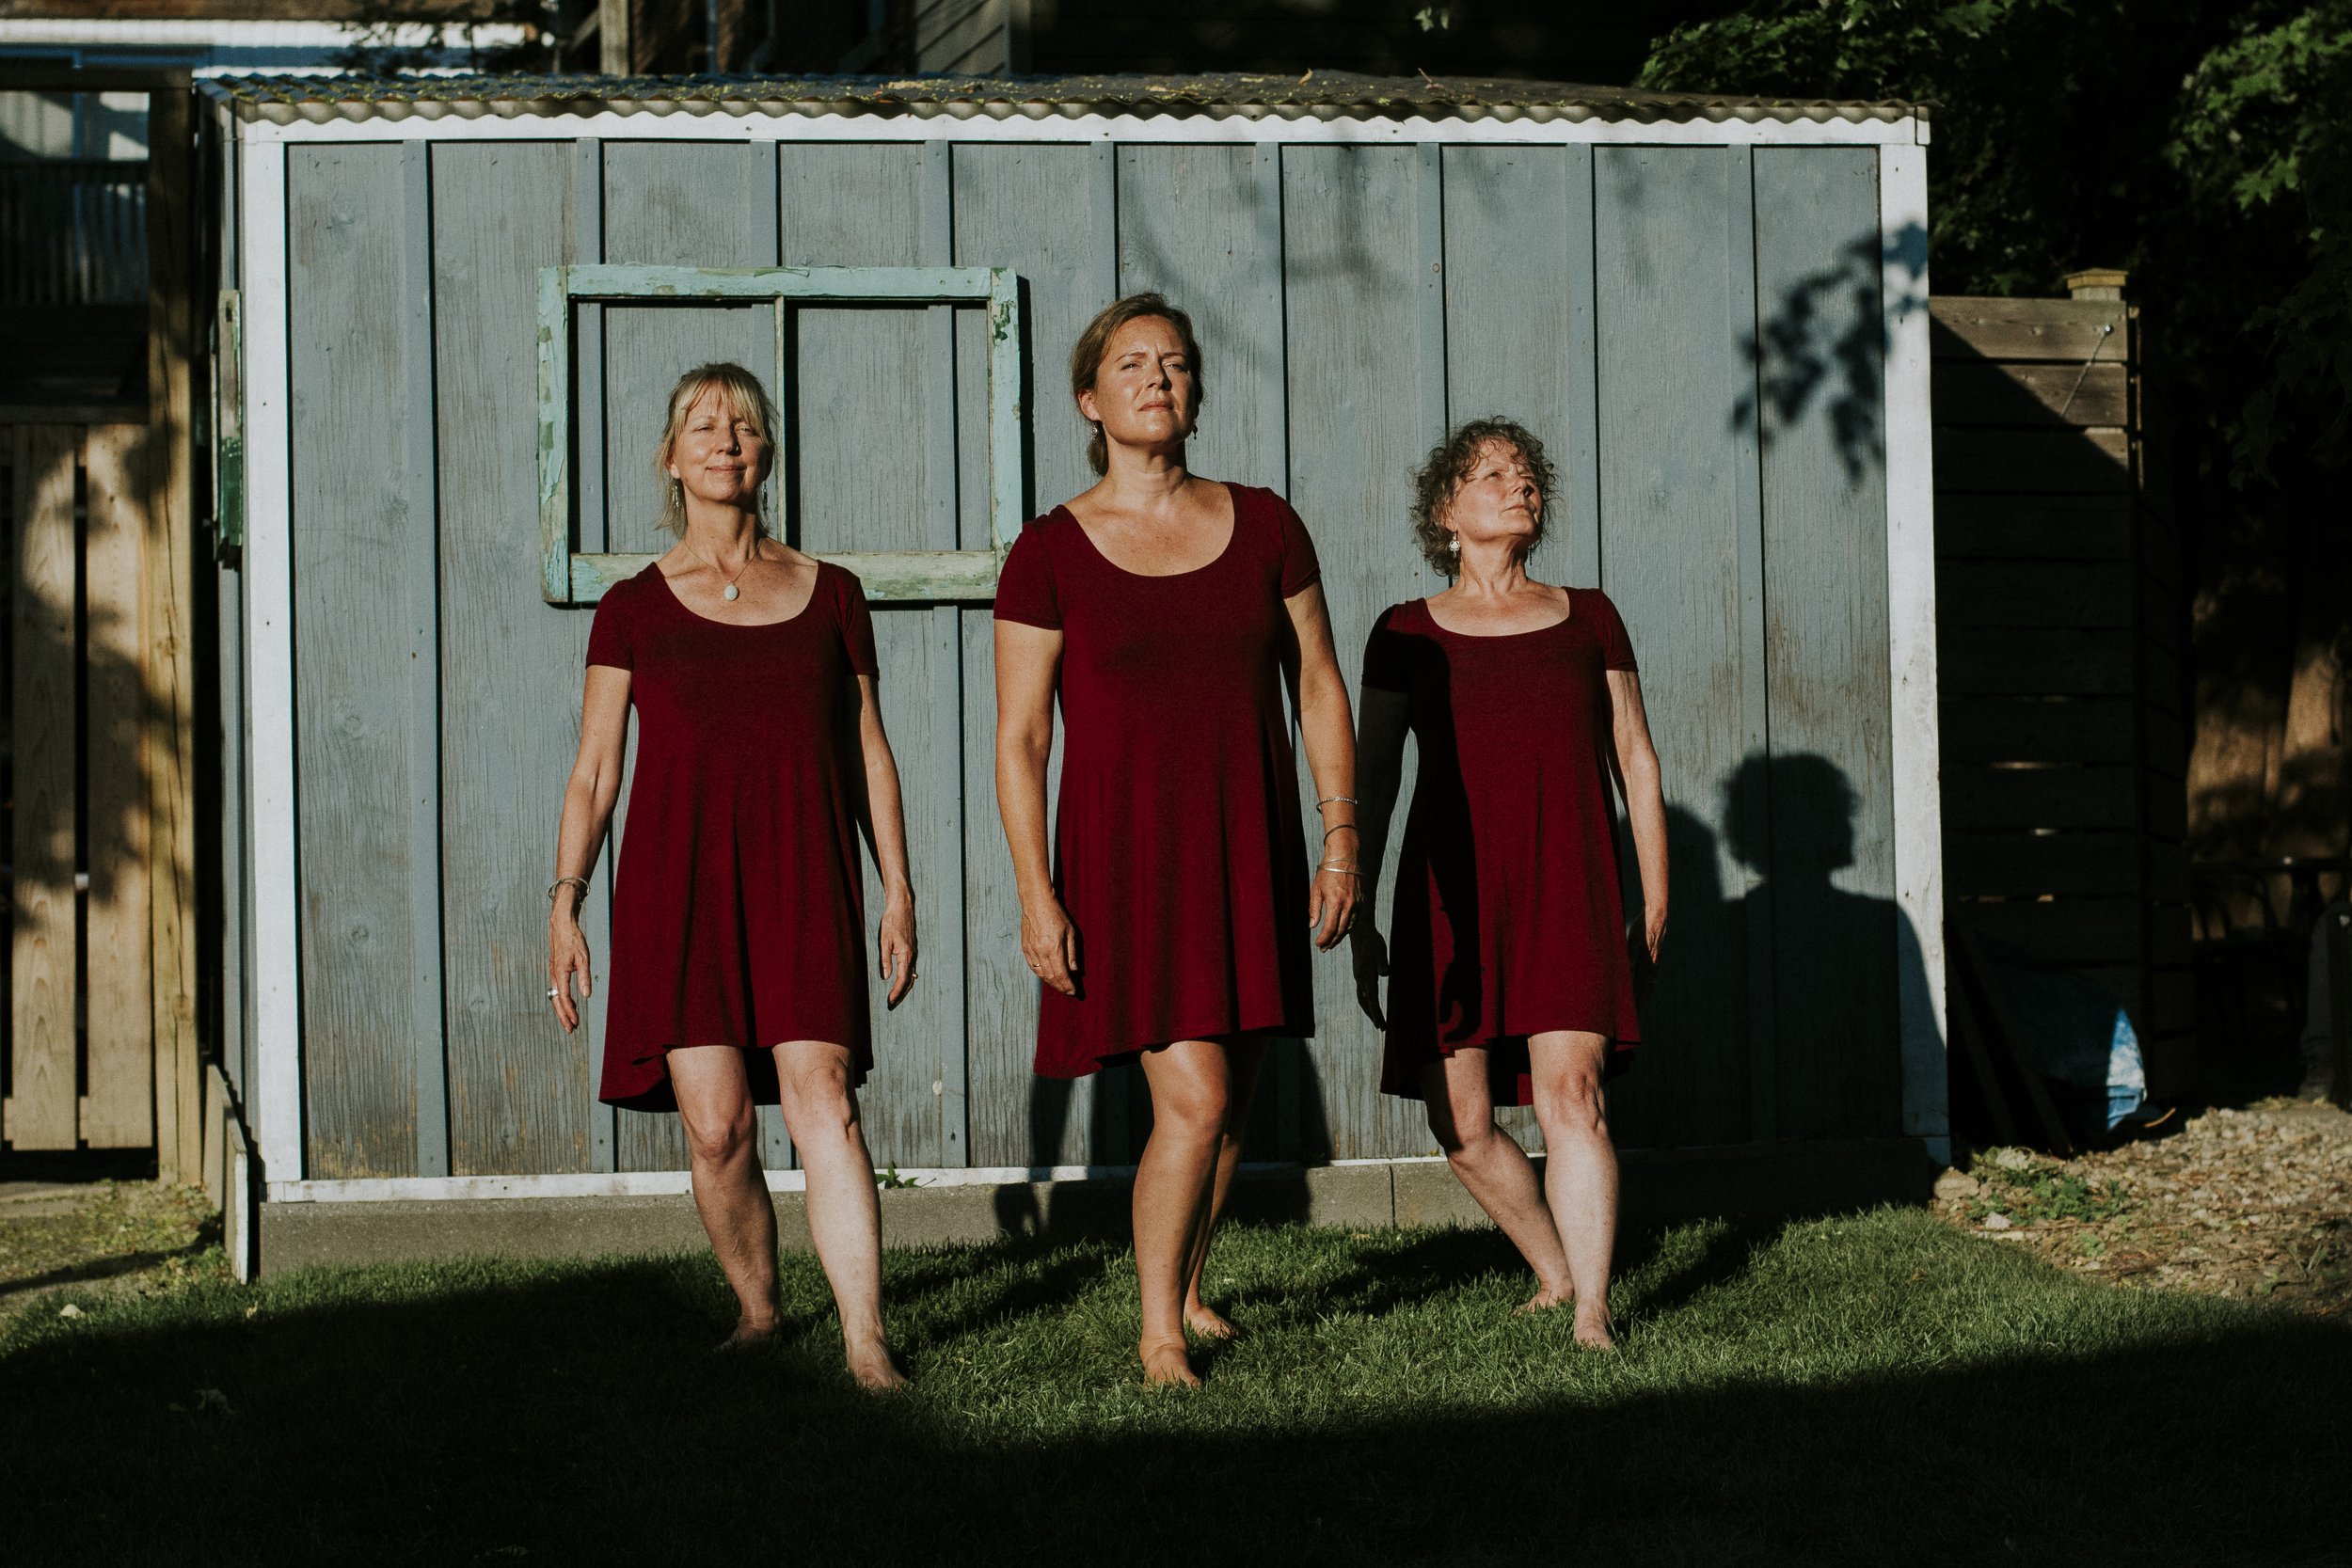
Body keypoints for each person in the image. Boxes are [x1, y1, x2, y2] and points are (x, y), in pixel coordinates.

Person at [993, 294, 1360, 1386]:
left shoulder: (1268, 524)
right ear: (1088, 399)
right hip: (1125, 859)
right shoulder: (1049, 549)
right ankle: (1157, 1332)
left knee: (1232, 1096)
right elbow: (1019, 739)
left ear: (1196, 390)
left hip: (1249, 840)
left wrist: (1341, 838)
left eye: (1176, 363)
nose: (1157, 377)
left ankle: (1191, 1288)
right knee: (1192, 1098)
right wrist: (1036, 891)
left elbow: (1322, 690)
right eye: (1130, 363)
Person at [546, 362, 916, 1389]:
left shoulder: (831, 593)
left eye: (744, 425)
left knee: (825, 1101)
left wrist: (898, 887)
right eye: (702, 426)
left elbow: (868, 752)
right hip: (679, 886)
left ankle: (864, 1338)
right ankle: (759, 1312)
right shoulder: (631, 609)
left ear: (767, 452)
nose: (725, 439)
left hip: (805, 871)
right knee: (717, 1128)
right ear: (671, 458)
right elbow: (594, 768)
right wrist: (566, 900)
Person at [1349, 418, 1666, 1350]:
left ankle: (1592, 1314)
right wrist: (1360, 906)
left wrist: (1655, 891)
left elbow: (1635, 758)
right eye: (1491, 475)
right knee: (1463, 1121)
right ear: (1445, 509)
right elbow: (1371, 782)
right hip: (1448, 897)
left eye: (1527, 475)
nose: (1517, 486)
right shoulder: (1402, 631)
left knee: (1572, 1095)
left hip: (1570, 881)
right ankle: (1557, 1268)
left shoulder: (1588, 615)